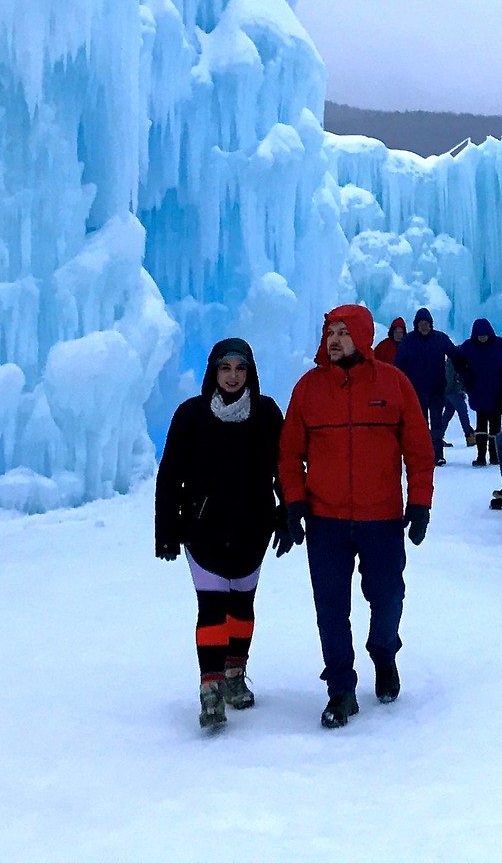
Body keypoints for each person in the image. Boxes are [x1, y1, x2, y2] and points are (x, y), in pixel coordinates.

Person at [279, 304, 435, 729]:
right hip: (326, 520)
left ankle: (384, 652)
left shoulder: (394, 383)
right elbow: (290, 454)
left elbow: (419, 453)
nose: (335, 339)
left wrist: (419, 503)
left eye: (344, 332)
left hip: (381, 518)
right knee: (330, 607)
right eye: (330, 331)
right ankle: (341, 689)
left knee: (388, 598)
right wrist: (295, 503)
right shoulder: (308, 389)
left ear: (364, 336)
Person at [155, 338, 286, 730]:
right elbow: (169, 477)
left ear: (251, 373)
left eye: (240, 368)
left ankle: (234, 673)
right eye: (225, 368)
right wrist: (167, 529)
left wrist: (288, 512)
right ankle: (210, 687)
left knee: (242, 606)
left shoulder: (266, 414)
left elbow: (284, 468)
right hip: (203, 530)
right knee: (212, 607)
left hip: (253, 528)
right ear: (213, 371)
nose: (232, 376)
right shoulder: (190, 415)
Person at [396, 308, 455, 463]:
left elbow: (455, 353)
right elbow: (399, 364)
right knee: (420, 425)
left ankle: (438, 455)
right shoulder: (408, 341)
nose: (424, 326)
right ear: (416, 325)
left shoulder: (440, 338)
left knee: (436, 423)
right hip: (416, 390)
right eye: (421, 324)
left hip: (436, 389)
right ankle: (423, 455)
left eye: (426, 323)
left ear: (430, 324)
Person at [457, 319, 502, 467]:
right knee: (481, 425)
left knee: (495, 425)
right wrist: (466, 374)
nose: (482, 337)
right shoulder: (469, 346)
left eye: (484, 334)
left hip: (496, 390)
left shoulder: (499, 344)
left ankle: (495, 456)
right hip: (478, 390)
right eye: (479, 335)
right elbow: (457, 359)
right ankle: (481, 455)